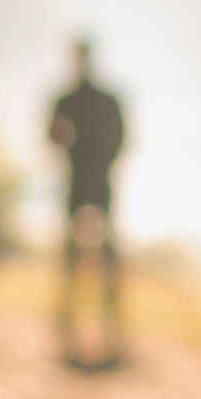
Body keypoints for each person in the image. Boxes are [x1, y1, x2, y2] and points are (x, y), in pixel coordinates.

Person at [48, 37, 129, 370]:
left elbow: (52, 137)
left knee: (94, 252)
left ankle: (105, 322)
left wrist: (82, 151)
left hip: (89, 177)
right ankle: (80, 324)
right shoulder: (97, 100)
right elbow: (121, 138)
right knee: (87, 252)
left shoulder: (72, 99)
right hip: (89, 178)